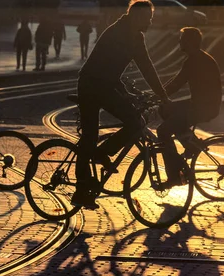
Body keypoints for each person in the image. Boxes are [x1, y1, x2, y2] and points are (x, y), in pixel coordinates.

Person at [71, 0, 170, 209]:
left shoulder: (136, 36)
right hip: (92, 84)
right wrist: (127, 93)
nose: (150, 22)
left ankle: (100, 155)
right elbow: (109, 70)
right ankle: (82, 188)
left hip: (104, 84)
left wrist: (158, 94)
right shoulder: (117, 32)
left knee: (134, 122)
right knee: (92, 135)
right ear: (136, 17)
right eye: (147, 18)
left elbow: (146, 67)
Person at [157, 27, 222, 189]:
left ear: (190, 42)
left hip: (202, 108)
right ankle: (190, 143)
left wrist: (158, 95)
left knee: (163, 131)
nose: (179, 42)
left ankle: (174, 177)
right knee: (166, 110)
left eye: (182, 39)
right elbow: (176, 81)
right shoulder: (198, 58)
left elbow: (177, 83)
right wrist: (160, 95)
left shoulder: (195, 60)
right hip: (200, 105)